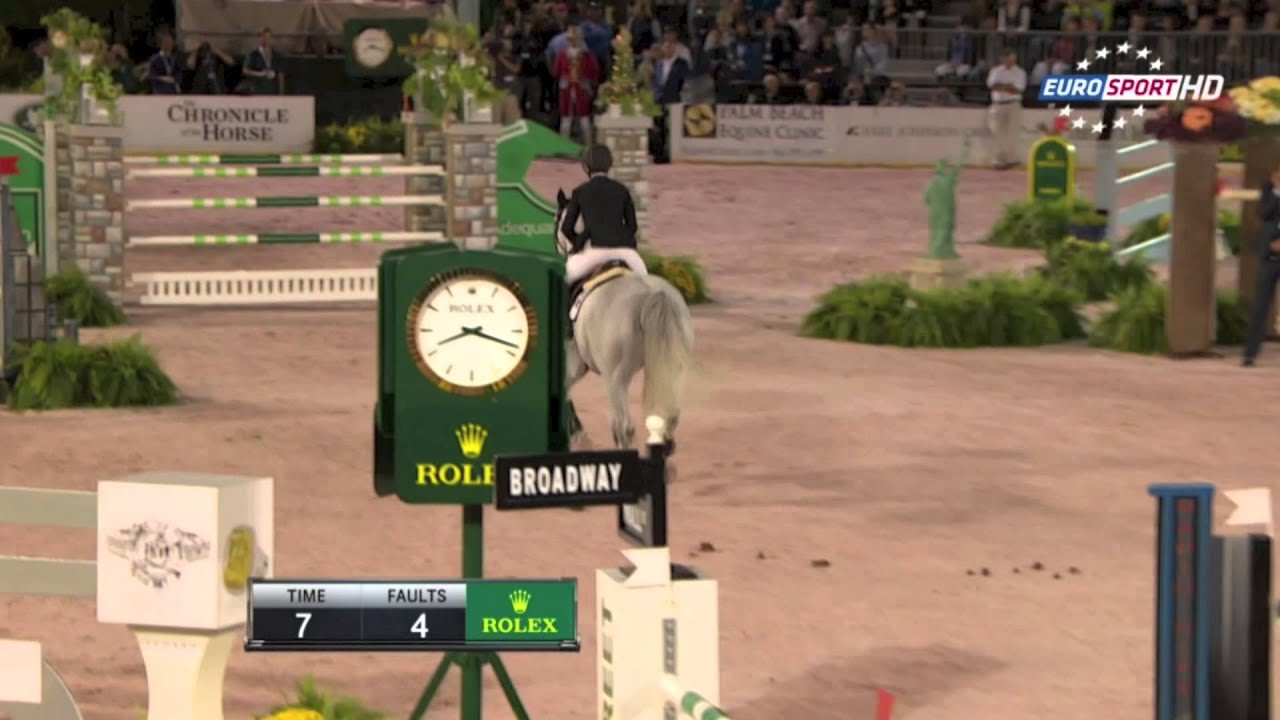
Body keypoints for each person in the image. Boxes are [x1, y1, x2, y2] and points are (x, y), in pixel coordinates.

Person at [560, 145, 648, 285]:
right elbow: (632, 227)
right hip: (625, 253)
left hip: (594, 252)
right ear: (609, 165)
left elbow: (566, 228)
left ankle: (573, 307)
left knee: (565, 280)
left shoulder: (580, 192)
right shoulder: (622, 190)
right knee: (647, 282)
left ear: (586, 166)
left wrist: (580, 241)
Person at [1242, 164, 1280, 366]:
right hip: (1269, 257)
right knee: (1260, 305)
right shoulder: (1268, 190)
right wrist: (1277, 191)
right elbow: (1264, 213)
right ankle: (1250, 354)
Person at [553, 27, 599, 140]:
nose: (573, 41)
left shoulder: (587, 56)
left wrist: (587, 81)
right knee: (566, 120)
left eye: (576, 39)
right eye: (571, 39)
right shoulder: (562, 55)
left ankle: (589, 145)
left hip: (581, 89)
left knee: (584, 120)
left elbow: (594, 72)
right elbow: (556, 71)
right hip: (566, 89)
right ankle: (563, 145)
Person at [986, 50, 1026, 170]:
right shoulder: (996, 71)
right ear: (1002, 59)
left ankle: (1011, 159)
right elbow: (992, 85)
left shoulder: (1020, 72)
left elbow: (1018, 89)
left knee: (1012, 133)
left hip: (1013, 104)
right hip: (997, 104)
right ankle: (997, 160)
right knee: (996, 132)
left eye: (1012, 58)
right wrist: (1008, 86)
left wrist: (1001, 86)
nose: (1010, 61)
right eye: (1007, 58)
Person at [238, 28, 280, 95]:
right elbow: (245, 71)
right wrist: (259, 74)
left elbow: (280, 74)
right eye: (264, 37)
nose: (266, 40)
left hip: (271, 90)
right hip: (257, 89)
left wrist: (281, 94)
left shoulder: (276, 54)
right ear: (259, 38)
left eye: (268, 37)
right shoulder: (253, 54)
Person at [146, 30, 181, 95]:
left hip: (173, 92)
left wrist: (175, 79)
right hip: (160, 91)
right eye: (165, 42)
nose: (168, 45)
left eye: (169, 42)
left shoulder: (175, 59)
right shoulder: (155, 59)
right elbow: (151, 77)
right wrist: (163, 79)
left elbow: (179, 74)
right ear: (161, 44)